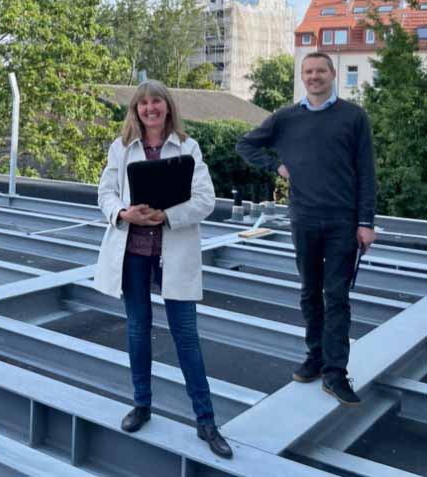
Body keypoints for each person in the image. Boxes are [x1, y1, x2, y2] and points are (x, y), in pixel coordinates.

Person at [94, 80, 232, 459]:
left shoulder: (188, 147)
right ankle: (142, 404)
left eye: (157, 102)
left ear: (168, 108)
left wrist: (167, 216)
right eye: (143, 103)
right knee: (138, 330)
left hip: (174, 251)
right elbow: (105, 192)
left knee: (186, 336)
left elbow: (205, 200)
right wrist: (124, 213)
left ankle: (206, 420)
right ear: (136, 109)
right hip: (134, 253)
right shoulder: (121, 148)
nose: (150, 108)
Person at [236, 51, 376, 406]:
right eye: (308, 71)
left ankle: (335, 372)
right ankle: (315, 358)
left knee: (338, 297)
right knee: (309, 292)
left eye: (320, 71)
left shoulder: (353, 117)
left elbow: (366, 173)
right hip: (304, 219)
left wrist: (366, 223)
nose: (314, 77)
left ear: (332, 74)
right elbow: (246, 145)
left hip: (343, 222)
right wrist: (276, 166)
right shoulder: (286, 118)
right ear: (303, 77)